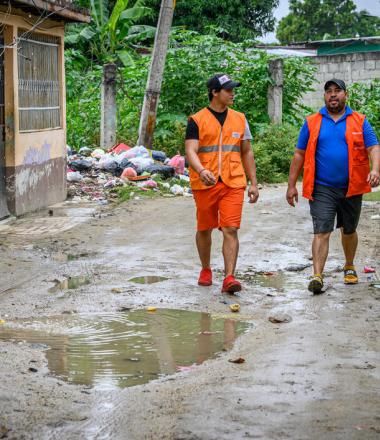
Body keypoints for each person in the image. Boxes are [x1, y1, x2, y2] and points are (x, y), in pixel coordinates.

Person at [286, 78, 380, 294]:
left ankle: (349, 265)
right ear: (324, 96)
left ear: (345, 95)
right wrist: (291, 185)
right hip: (321, 187)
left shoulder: (359, 121)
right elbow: (299, 154)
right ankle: (317, 275)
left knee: (349, 229)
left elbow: (374, 147)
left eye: (337, 91)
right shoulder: (312, 122)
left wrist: (375, 170)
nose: (333, 95)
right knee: (322, 231)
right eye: (329, 91)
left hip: (352, 186)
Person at [185, 73, 259, 293]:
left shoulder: (240, 118)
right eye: (228, 90)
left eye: (232, 89)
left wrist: (254, 182)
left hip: (233, 181)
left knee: (231, 228)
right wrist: (201, 170)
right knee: (205, 228)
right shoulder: (196, 120)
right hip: (205, 182)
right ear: (214, 93)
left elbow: (246, 151)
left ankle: (229, 277)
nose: (232, 94)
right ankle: (206, 269)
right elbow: (191, 150)